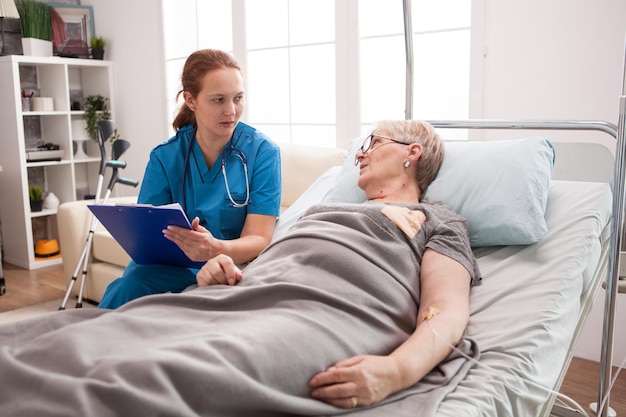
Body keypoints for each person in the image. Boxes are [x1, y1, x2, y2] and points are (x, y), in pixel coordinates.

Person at [0, 120, 481, 417]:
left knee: (159, 373)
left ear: (411, 153)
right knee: (74, 337)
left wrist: (394, 372)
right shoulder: (314, 214)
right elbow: (272, 261)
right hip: (244, 299)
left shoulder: (436, 221)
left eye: (372, 142)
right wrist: (222, 274)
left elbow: (445, 310)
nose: (360, 152)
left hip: (318, 314)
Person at [98, 49, 282, 309]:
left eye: (238, 98)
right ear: (191, 99)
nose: (231, 111)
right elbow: (147, 236)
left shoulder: (263, 153)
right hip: (168, 267)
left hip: (227, 264)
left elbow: (259, 238)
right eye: (218, 100)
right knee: (130, 286)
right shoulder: (165, 157)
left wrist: (214, 247)